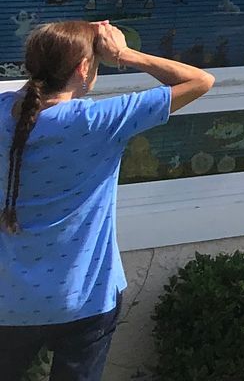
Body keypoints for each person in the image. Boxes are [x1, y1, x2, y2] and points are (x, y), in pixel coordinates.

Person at [1, 21, 214, 381]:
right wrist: (125, 55)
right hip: (84, 296)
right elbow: (200, 82)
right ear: (84, 68)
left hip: (9, 300)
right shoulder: (98, 120)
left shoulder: (5, 112)